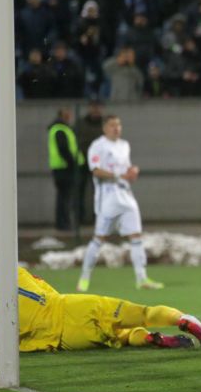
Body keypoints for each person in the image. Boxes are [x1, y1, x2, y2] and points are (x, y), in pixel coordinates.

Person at [0, 266, 201, 351]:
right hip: (73, 307)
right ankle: (182, 320)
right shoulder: (14, 271)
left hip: (63, 339)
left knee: (122, 338)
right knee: (143, 314)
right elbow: (47, 289)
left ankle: (148, 339)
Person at [78, 115, 163, 292]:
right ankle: (84, 279)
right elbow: (95, 171)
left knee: (136, 236)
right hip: (108, 198)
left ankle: (142, 279)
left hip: (125, 195)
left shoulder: (125, 145)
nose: (116, 128)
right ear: (104, 128)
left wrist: (132, 172)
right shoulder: (97, 146)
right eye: (112, 125)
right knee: (99, 238)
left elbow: (126, 170)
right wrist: (119, 175)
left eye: (118, 125)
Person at [48, 107, 81, 232]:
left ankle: (63, 223)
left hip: (62, 168)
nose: (70, 117)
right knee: (64, 197)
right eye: (67, 114)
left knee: (63, 197)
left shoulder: (61, 129)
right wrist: (72, 163)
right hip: (64, 168)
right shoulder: (60, 129)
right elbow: (63, 149)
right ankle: (63, 224)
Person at [74, 101, 106, 229]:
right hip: (83, 161)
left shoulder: (104, 124)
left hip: (99, 163)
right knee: (80, 191)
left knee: (100, 191)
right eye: (93, 108)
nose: (96, 110)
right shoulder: (81, 123)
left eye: (98, 108)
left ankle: (98, 218)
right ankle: (80, 219)